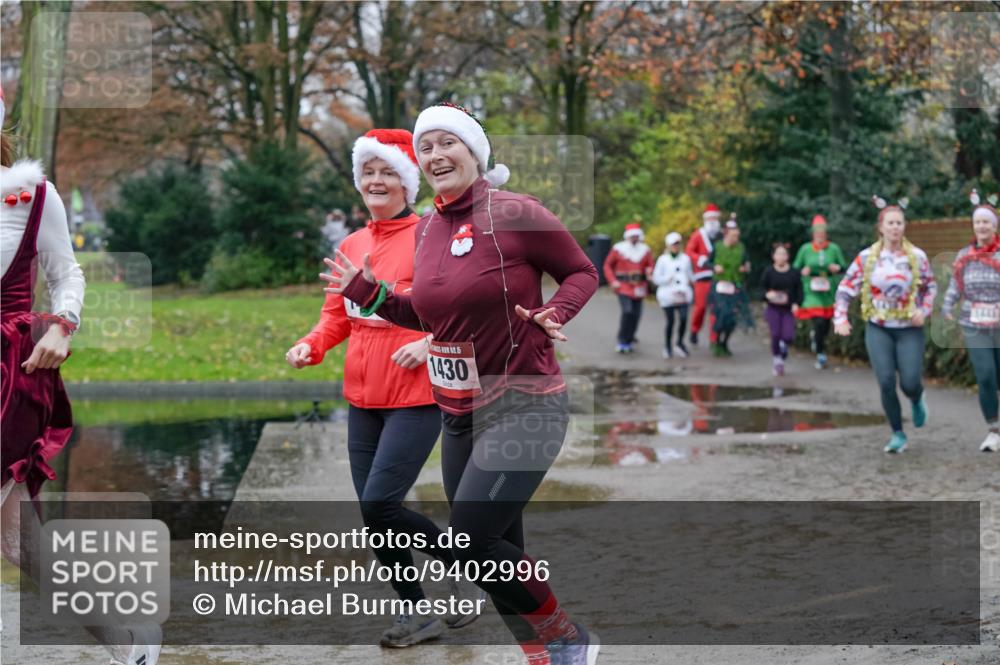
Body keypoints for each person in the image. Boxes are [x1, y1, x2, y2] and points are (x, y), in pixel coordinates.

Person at [322, 102, 600, 665]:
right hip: (459, 413)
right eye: (425, 148)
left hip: (524, 403)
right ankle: (542, 653)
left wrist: (557, 312)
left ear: (474, 151)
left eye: (447, 143)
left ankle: (568, 638)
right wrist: (369, 294)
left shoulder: (517, 212)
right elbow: (431, 316)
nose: (435, 155)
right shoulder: (427, 231)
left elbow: (582, 271)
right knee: (502, 547)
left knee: (472, 543)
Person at [287, 129, 482, 647]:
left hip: (417, 395)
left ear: (408, 183)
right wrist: (312, 344)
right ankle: (417, 615)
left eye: (388, 171)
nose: (376, 180)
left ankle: (469, 562)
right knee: (377, 517)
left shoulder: (431, 236)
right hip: (362, 399)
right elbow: (335, 317)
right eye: (368, 171)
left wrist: (432, 340)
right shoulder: (351, 245)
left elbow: (461, 306)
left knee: (380, 504)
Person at [834, 197, 937, 454]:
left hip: (908, 328)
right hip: (878, 327)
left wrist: (923, 311)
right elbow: (845, 289)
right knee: (886, 380)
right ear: (881, 227)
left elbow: (930, 287)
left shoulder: (917, 256)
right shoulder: (867, 257)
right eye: (890, 223)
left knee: (910, 381)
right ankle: (897, 433)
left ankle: (916, 397)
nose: (894, 227)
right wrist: (841, 318)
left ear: (904, 226)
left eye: (899, 223)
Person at [942, 190, 1000, 452]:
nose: (981, 226)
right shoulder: (964, 254)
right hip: (974, 323)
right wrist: (947, 306)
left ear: (994, 226)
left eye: (986, 221)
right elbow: (956, 284)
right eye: (977, 222)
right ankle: (994, 429)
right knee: (986, 376)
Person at [793, 215, 847, 370]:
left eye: (823, 234)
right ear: (813, 235)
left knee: (826, 324)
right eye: (817, 234)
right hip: (811, 289)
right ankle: (820, 353)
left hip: (828, 289)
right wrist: (803, 271)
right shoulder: (805, 249)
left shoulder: (834, 248)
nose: (820, 237)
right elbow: (796, 268)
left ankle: (818, 339)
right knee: (818, 320)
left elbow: (843, 266)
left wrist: (836, 268)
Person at [603, 222, 653, 353]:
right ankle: (622, 340)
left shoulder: (645, 250)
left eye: (637, 236)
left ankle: (630, 338)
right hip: (623, 286)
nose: (634, 238)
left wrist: (649, 270)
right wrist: (612, 281)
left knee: (636, 315)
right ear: (627, 236)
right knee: (628, 311)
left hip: (640, 287)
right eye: (632, 236)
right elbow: (607, 265)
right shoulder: (619, 249)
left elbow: (650, 265)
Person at [707, 215, 751, 357]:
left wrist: (745, 268)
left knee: (732, 318)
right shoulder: (718, 246)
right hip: (719, 286)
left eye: (737, 236)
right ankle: (716, 341)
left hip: (735, 286)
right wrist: (715, 267)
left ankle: (725, 342)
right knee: (722, 313)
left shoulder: (741, 248)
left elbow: (747, 263)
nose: (735, 239)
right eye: (733, 236)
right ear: (726, 234)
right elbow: (707, 262)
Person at [761, 243, 803, 376]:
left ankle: (783, 348)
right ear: (773, 256)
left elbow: (799, 290)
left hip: (788, 309)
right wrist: (767, 295)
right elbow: (761, 289)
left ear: (788, 256)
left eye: (783, 254)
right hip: (773, 308)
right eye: (778, 254)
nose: (781, 257)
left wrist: (797, 303)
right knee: (775, 334)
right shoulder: (769, 272)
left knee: (788, 335)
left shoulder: (793, 273)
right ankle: (777, 359)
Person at [652, 231, 693, 359]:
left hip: (682, 294)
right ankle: (668, 346)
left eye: (677, 244)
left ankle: (679, 343)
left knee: (684, 318)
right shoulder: (662, 259)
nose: (676, 246)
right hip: (667, 295)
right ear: (668, 246)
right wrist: (666, 279)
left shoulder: (686, 258)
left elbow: (690, 275)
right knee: (670, 321)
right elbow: (656, 278)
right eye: (673, 244)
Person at [686, 203, 722, 346]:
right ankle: (694, 330)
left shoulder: (721, 236)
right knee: (700, 307)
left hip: (718, 277)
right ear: (706, 220)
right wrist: (700, 259)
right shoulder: (698, 235)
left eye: (715, 218)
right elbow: (689, 251)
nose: (712, 221)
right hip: (702, 276)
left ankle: (714, 338)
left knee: (716, 309)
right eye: (710, 218)